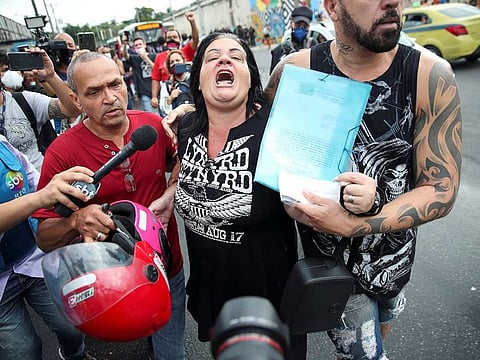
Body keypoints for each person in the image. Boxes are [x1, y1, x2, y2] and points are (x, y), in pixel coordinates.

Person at [263, 0, 462, 358]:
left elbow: (441, 188)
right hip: (330, 272)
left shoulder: (428, 76)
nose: (392, 4)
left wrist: (356, 223)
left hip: (393, 264)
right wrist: (192, 112)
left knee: (384, 318)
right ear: (333, 7)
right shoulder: (297, 69)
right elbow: (252, 129)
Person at [154, 32, 304, 359]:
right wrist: (171, 192)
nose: (224, 60)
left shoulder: (277, 129)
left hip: (271, 300)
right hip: (213, 289)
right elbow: (186, 171)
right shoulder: (188, 125)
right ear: (198, 79)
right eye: (213, 57)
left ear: (251, 77)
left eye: (236, 57)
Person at [31, 52, 186, 360]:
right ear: (75, 99)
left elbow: (179, 164)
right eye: (94, 92)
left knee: (171, 350)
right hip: (110, 286)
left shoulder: (152, 127)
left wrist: (171, 189)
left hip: (169, 268)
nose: (110, 97)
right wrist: (76, 221)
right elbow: (44, 237)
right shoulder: (62, 153)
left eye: (115, 84)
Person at [0, 133, 96, 360]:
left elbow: (35, 181)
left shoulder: (3, 143)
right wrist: (41, 198)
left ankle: (74, 356)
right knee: (23, 352)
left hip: (34, 260)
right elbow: (40, 195)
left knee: (73, 324)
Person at [0, 48, 82, 171]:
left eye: (7, 69)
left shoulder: (25, 100)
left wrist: (50, 76)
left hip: (44, 185)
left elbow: (73, 108)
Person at [151, 11, 199, 111]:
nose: (172, 39)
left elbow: (195, 39)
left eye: (174, 37)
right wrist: (154, 97)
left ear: (180, 39)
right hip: (170, 96)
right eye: (169, 38)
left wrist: (192, 22)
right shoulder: (159, 57)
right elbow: (156, 78)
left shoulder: (186, 51)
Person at [269, 6, 317, 74]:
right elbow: (274, 80)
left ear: (309, 27)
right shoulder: (279, 51)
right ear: (291, 23)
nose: (301, 28)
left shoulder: (313, 47)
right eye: (298, 24)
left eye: (305, 26)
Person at [121, 37, 157, 113]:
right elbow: (125, 55)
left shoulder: (154, 56)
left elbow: (156, 69)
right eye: (136, 45)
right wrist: (124, 44)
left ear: (144, 45)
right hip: (144, 91)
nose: (138, 46)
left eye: (140, 44)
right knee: (149, 113)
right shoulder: (135, 58)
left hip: (157, 90)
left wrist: (145, 58)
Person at [159, 50, 192, 116]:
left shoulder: (194, 79)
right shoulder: (166, 86)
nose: (175, 63)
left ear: (184, 62)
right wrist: (170, 98)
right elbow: (163, 108)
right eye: (172, 62)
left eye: (178, 60)